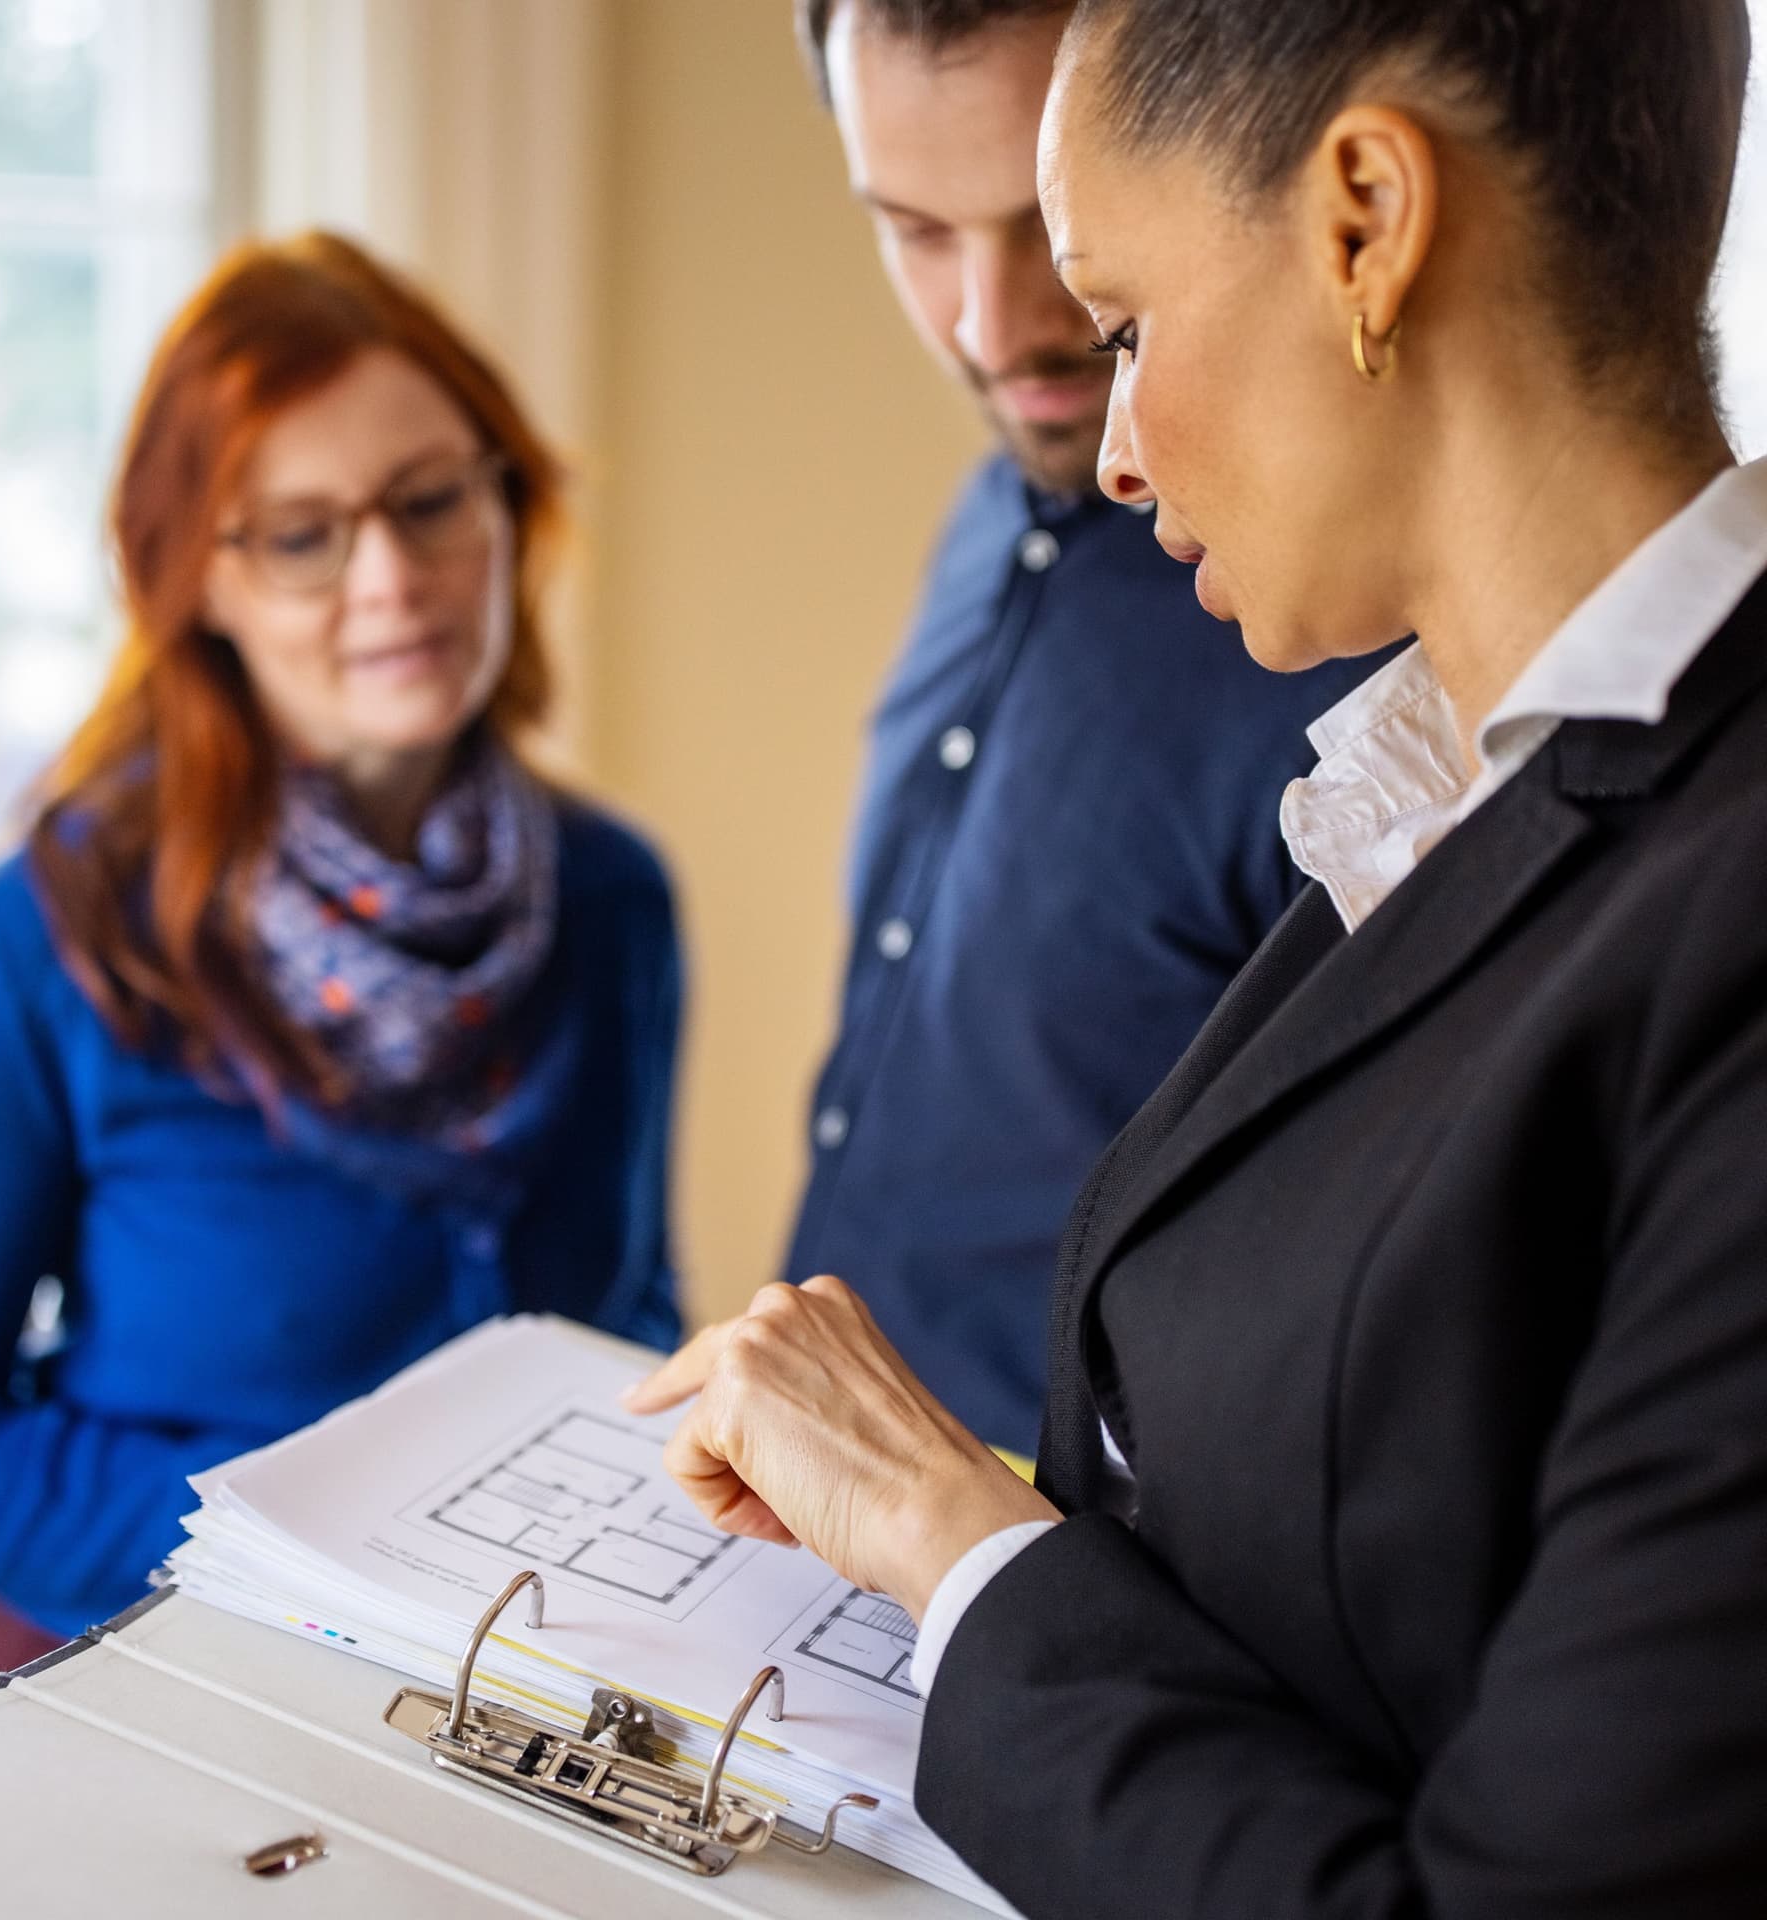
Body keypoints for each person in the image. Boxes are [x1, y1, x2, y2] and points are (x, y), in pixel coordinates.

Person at [628, 1, 1767, 1912]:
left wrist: (955, 1545)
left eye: (1127, 323)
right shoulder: (1416, 797)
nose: (1117, 441)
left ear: (1365, 222)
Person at [0, 233, 682, 1683]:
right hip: (128, 1691)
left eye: (431, 502)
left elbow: (625, 1313)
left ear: (509, 504)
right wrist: (335, 1555)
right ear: (198, 582)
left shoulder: (612, 897)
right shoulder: (47, 935)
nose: (392, 578)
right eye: (302, 535)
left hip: (488, 1706)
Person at [782, 0, 1381, 1455]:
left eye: (1043, 219)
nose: (994, 326)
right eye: (916, 232)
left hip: (1070, 1587)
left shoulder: (1341, 636)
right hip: (816, 1517)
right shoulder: (987, 523)